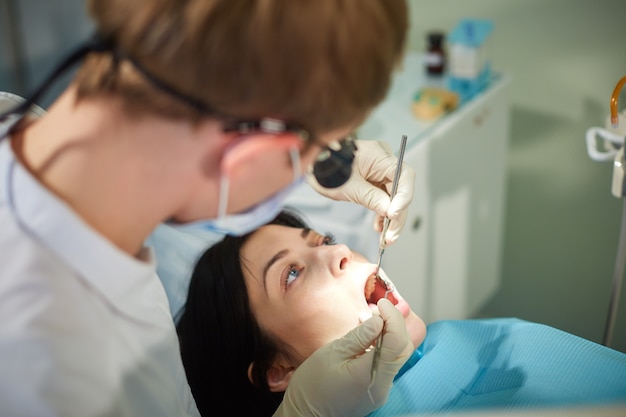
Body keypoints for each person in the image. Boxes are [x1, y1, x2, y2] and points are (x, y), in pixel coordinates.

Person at [0, 1, 417, 416]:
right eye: (309, 159)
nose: (339, 251)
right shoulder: (61, 371)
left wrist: (321, 155)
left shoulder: (35, 140)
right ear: (243, 157)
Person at [177, 208, 626, 417]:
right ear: (280, 370)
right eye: (291, 274)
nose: (338, 253)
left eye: (323, 240)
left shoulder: (474, 337)